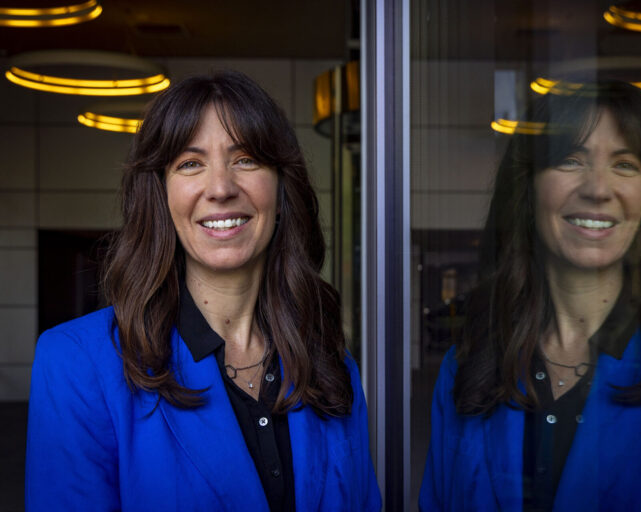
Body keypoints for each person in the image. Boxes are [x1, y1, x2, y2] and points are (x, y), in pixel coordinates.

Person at [26, 71, 381, 511]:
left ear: (281, 185)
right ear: (161, 193)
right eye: (190, 163)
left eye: (246, 159)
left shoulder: (331, 363)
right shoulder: (76, 363)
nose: (221, 188)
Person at [419, 81, 641, 511]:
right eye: (569, 160)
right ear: (528, 190)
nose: (598, 189)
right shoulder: (467, 366)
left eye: (625, 165)